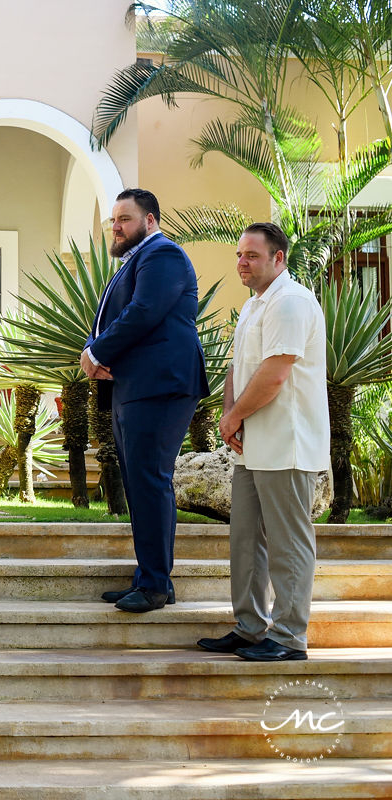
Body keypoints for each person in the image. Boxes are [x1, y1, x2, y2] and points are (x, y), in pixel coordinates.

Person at [197, 223, 328, 662]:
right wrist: (228, 415)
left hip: (286, 443)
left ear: (278, 259)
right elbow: (240, 366)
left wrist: (234, 416)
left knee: (288, 542)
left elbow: (274, 373)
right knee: (246, 537)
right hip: (252, 443)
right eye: (239, 254)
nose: (241, 263)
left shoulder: (290, 302)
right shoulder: (256, 305)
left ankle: (290, 637)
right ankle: (251, 627)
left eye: (252, 255)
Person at [80, 188, 208, 612]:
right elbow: (109, 319)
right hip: (133, 386)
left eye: (126, 219)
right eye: (114, 220)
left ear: (150, 221)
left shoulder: (163, 255)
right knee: (140, 483)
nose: (116, 227)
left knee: (150, 480)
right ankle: (151, 577)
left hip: (161, 385)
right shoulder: (135, 260)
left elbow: (143, 312)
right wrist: (92, 349)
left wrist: (97, 354)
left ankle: (155, 584)